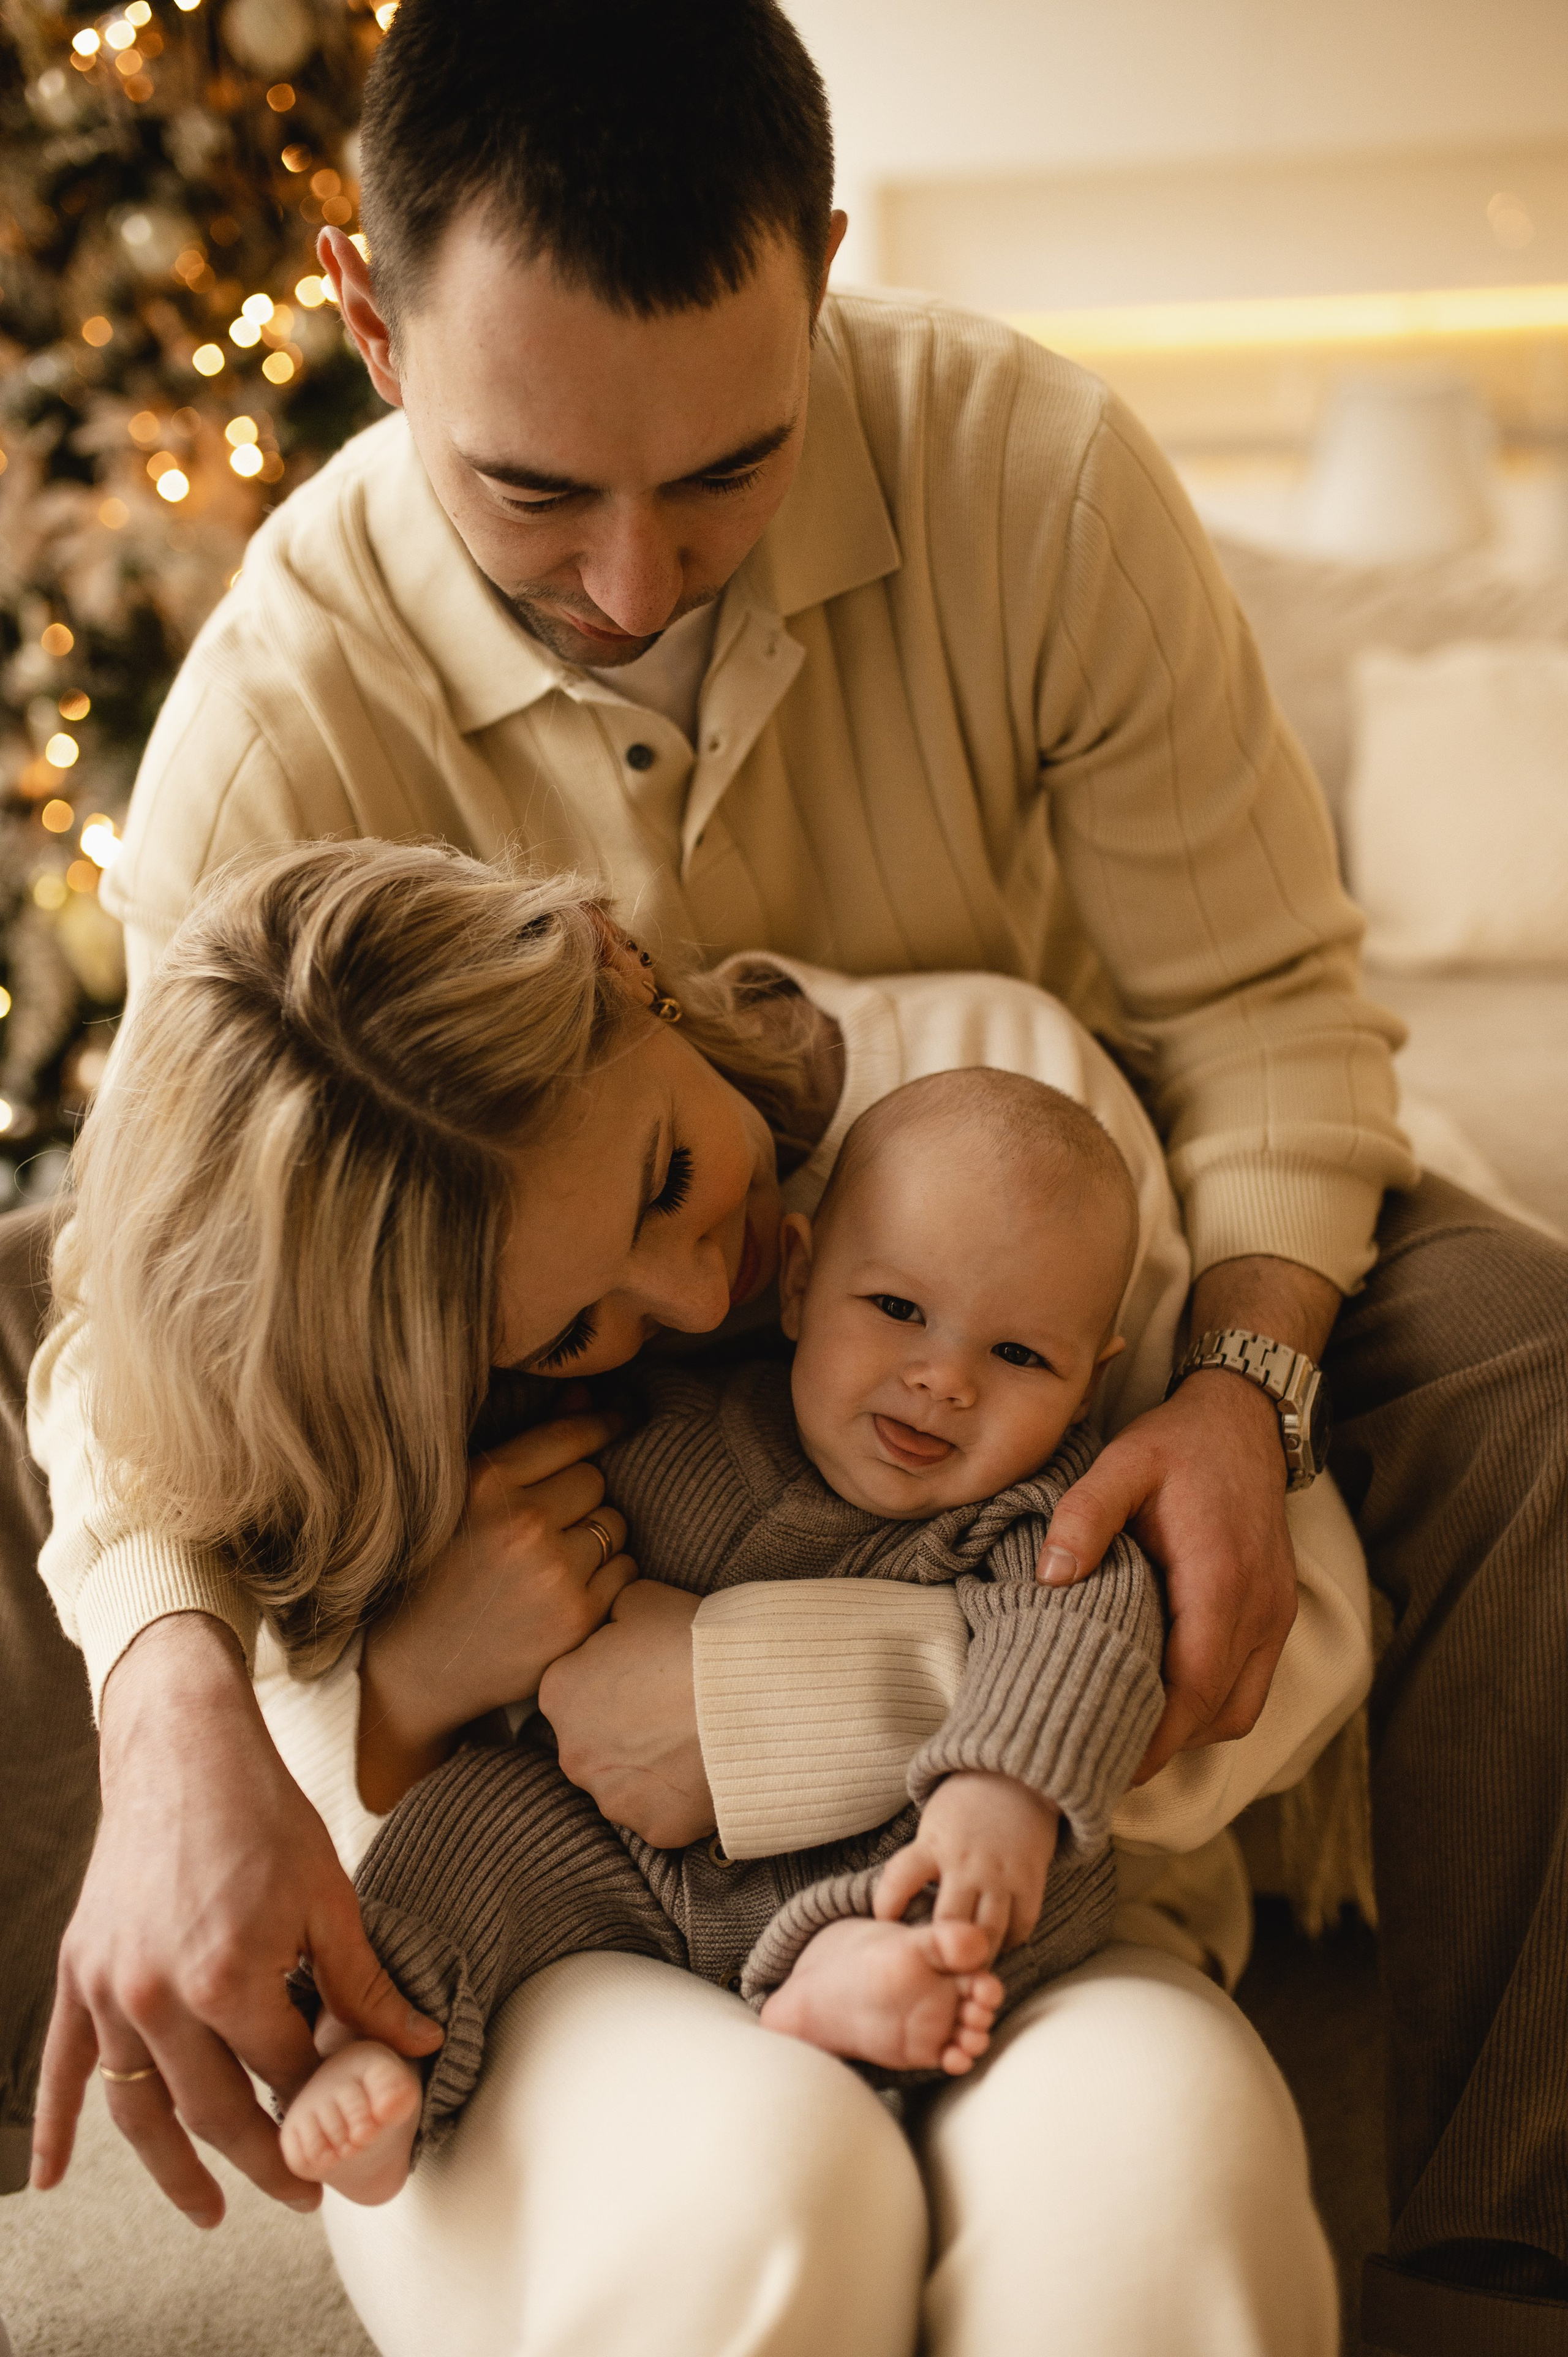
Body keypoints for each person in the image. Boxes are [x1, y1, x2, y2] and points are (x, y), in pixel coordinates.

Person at [6, 0, 1563, 2348]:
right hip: (530, 1639)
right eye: (536, 492)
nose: (638, 583)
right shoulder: (279, 713)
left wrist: (1237, 1386)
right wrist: (181, 1720)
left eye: (728, 470)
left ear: (820, 270)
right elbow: (144, 1311)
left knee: (1526, 1356)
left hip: (1059, 1240)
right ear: (369, 323)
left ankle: (1507, 2249)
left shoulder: (1035, 480)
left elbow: (1264, 1008)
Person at [266, 1057, 1163, 2203]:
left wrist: (1002, 1791)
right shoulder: (668, 1414)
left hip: (863, 1856)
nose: (943, 1380)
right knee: (467, 1829)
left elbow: (1086, 1638)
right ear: (798, 1282)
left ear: (1088, 1384)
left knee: (1005, 1890)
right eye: (897, 1310)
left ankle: (847, 1978)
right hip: (598, 1840)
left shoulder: (1039, 1515)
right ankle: (379, 2038)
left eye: (1021, 1355)